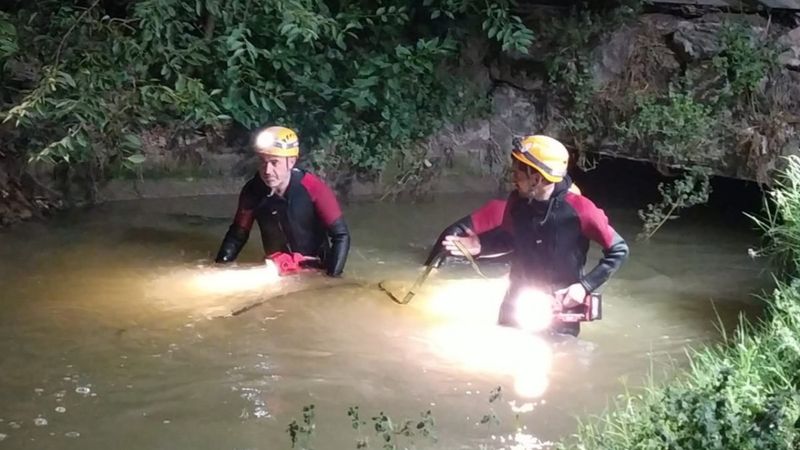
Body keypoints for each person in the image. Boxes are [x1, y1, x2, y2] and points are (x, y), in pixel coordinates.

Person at [441, 135, 629, 335]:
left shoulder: (580, 210)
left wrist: (584, 287)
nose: (512, 177)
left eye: (518, 173)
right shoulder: (517, 203)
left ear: (537, 178)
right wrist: (481, 245)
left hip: (560, 308)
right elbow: (509, 238)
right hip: (516, 302)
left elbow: (619, 250)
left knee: (559, 359)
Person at [215, 125, 350, 277]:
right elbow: (237, 235)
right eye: (262, 161)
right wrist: (220, 267)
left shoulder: (313, 187)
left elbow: (341, 235)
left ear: (291, 162)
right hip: (276, 268)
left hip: (315, 269)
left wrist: (332, 278)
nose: (267, 170)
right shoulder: (252, 191)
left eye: (274, 162)